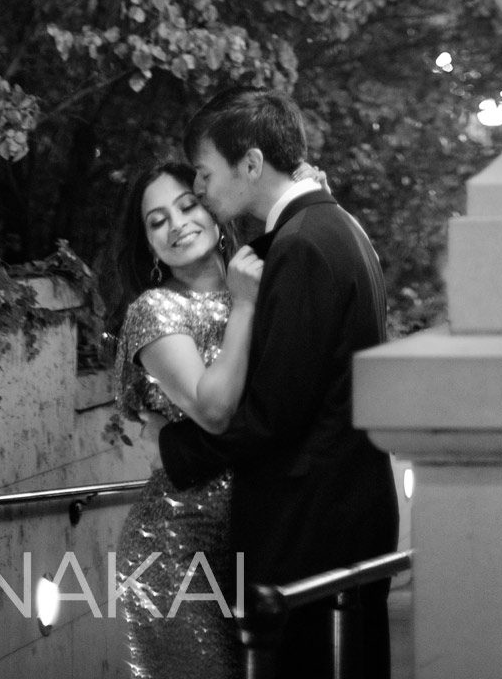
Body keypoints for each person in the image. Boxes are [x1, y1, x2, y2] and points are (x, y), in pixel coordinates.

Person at [158, 88, 399, 679]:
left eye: (206, 172)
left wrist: (175, 448)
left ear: (251, 164)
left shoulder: (306, 245)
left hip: (310, 529)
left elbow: (273, 412)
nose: (201, 188)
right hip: (342, 521)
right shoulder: (332, 227)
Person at [111, 159, 262, 679]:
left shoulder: (265, 284)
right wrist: (243, 308)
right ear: (149, 244)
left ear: (215, 210)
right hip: (175, 546)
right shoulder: (155, 311)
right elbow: (214, 410)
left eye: (187, 205)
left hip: (255, 534)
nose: (177, 225)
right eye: (157, 221)